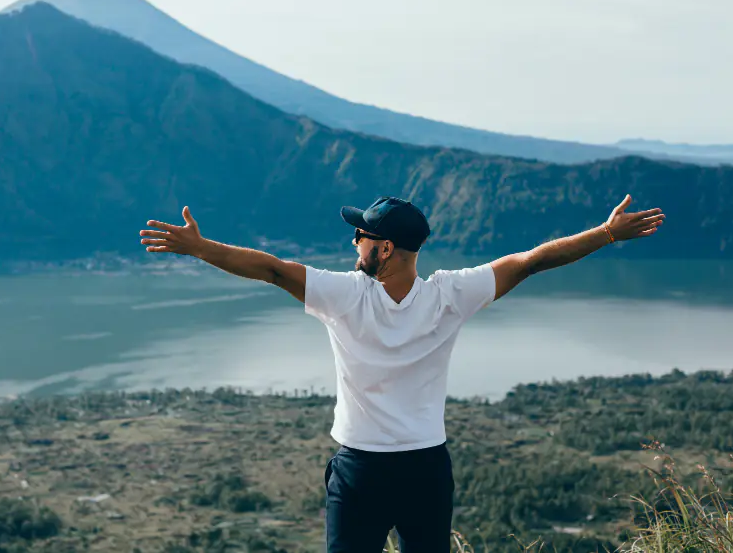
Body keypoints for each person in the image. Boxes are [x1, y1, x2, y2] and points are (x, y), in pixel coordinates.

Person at [139, 194, 664, 552]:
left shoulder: (344, 296)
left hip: (360, 473)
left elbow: (272, 269)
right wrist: (606, 234)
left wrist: (199, 248)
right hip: (425, 473)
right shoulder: (449, 296)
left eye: (361, 237)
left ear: (384, 248)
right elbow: (530, 262)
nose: (354, 244)